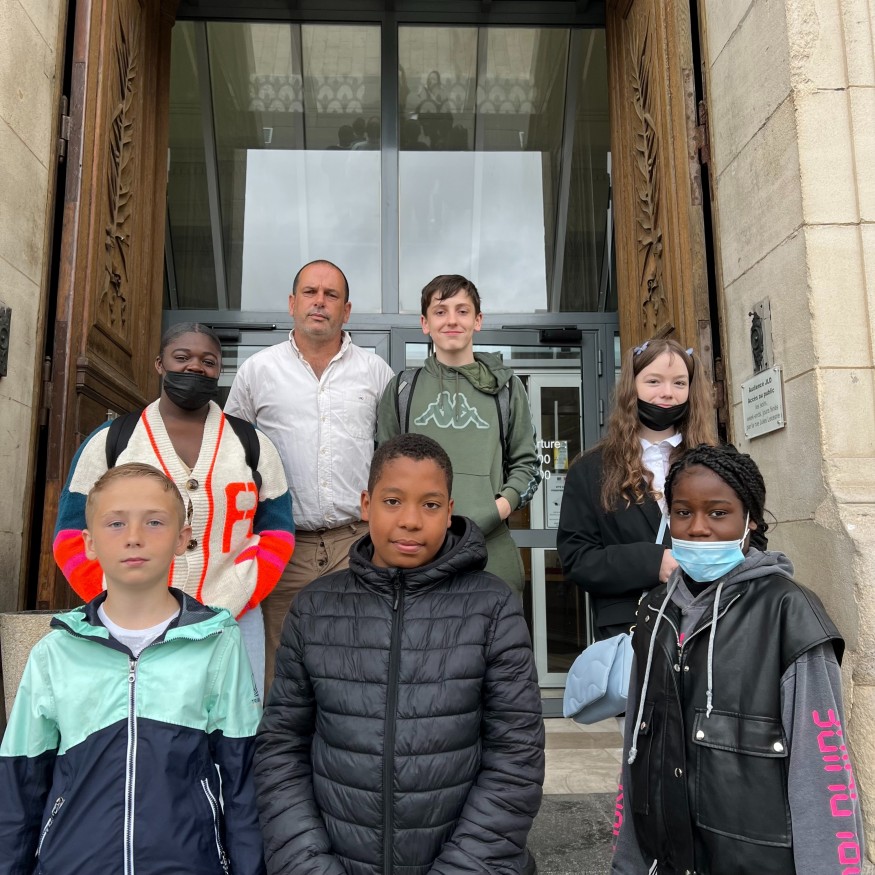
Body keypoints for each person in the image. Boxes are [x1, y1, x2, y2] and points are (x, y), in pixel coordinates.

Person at [254, 434, 545, 874]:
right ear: (366, 504)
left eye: (430, 505)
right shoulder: (314, 608)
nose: (410, 520)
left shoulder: (492, 607)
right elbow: (281, 748)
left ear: (450, 511)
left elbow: (516, 758)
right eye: (392, 501)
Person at [612, 444, 864, 874]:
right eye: (683, 512)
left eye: (718, 512)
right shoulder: (654, 610)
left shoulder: (789, 613)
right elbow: (635, 751)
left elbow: (822, 774)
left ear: (751, 521)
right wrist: (627, 863)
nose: (698, 528)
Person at [0, 464, 264, 875]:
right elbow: (20, 783)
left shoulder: (218, 643)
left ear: (182, 539)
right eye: (116, 523)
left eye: (154, 522)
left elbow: (242, 778)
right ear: (89, 543)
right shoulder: (55, 652)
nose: (134, 536)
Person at [53, 322, 295, 700]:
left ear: (219, 371)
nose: (195, 367)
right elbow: (70, 534)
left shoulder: (252, 443)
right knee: (143, 718)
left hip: (233, 619)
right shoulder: (113, 440)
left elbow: (278, 531)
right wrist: (111, 594)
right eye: (182, 357)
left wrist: (243, 591)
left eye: (208, 361)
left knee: (234, 720)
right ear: (159, 364)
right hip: (130, 621)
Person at [224, 259, 394, 687]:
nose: (320, 302)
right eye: (310, 293)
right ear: (292, 303)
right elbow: (231, 455)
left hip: (355, 543)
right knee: (282, 667)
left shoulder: (375, 372)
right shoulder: (257, 371)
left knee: (359, 660)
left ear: (346, 310)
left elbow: (394, 456)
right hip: (283, 545)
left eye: (331, 295)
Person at [376, 274, 541, 600]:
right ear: (425, 323)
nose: (451, 320)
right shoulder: (402, 390)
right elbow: (384, 473)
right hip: (417, 553)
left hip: (490, 550)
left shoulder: (507, 389)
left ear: (477, 320)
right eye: (440, 311)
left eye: (462, 311)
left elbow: (527, 465)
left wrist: (494, 510)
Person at [556, 338, 716, 640]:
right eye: (654, 381)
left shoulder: (718, 463)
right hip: (630, 628)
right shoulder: (591, 469)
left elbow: (751, 537)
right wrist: (653, 563)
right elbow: (577, 558)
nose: (667, 392)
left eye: (679, 383)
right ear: (632, 387)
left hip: (711, 622)